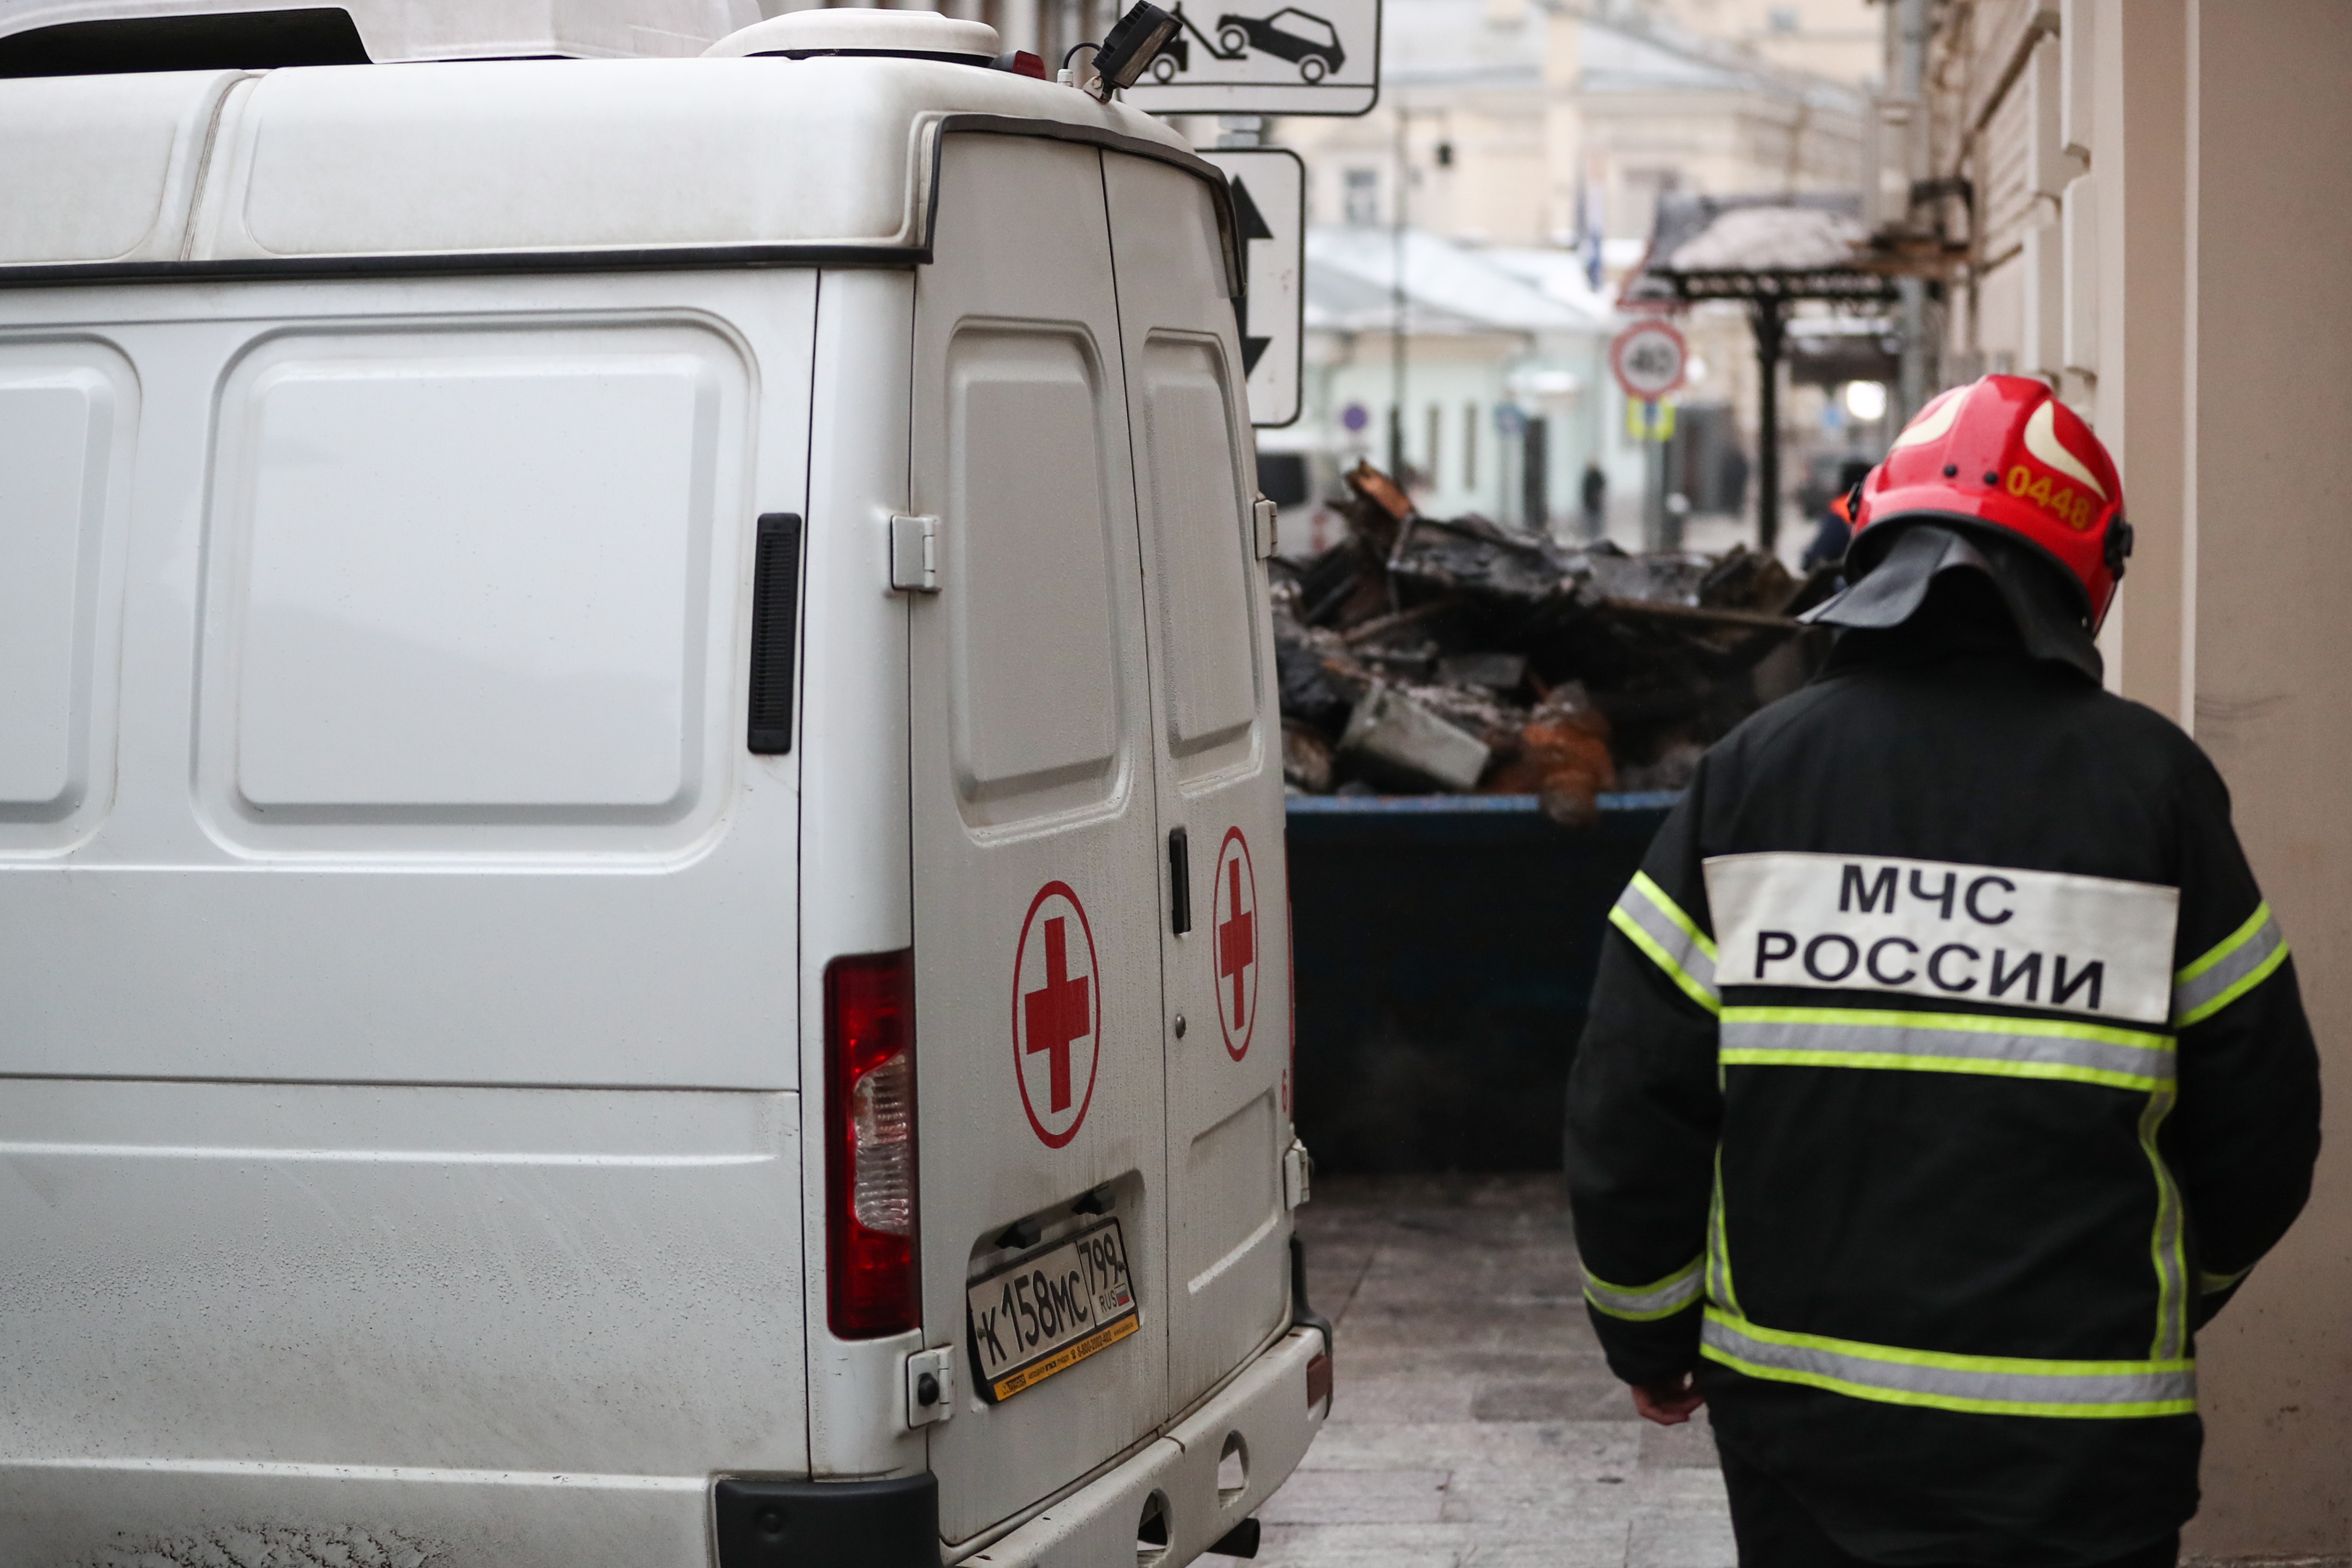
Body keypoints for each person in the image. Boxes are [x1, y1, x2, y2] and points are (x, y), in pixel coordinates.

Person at [1564, 375, 2321, 1567]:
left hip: (1804, 1440)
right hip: (2082, 1462)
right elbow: (2264, 1117)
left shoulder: (1752, 775)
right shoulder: (2152, 788)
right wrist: (2167, 1285)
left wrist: (1647, 1330)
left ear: (1871, 538)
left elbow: (1631, 1088)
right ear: (2088, 567)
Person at [1581, 459, 1607, 539]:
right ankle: (1592, 536)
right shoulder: (1588, 477)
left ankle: (1597, 536)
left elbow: (1602, 487)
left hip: (1597, 504)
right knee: (1591, 522)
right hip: (1590, 504)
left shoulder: (1598, 476)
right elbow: (1585, 491)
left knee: (1597, 521)